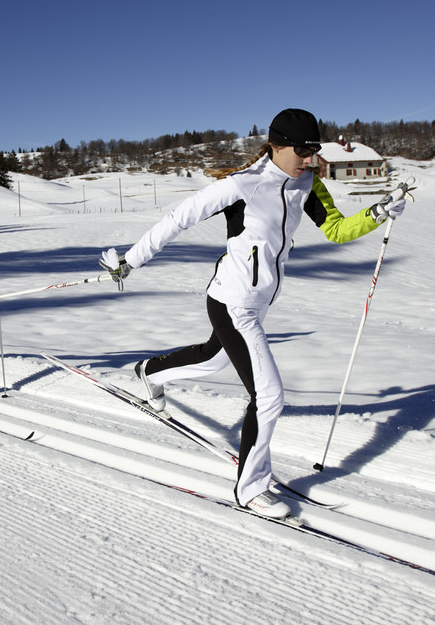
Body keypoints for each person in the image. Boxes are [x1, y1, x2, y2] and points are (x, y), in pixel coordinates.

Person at [98, 108, 406, 518]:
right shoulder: (243, 185)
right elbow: (177, 219)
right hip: (232, 300)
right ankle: (251, 487)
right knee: (268, 396)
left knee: (211, 360)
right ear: (277, 145)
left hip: (259, 301)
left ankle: (150, 372)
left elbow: (336, 231)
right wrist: (131, 261)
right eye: (301, 149)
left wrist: (376, 213)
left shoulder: (309, 184)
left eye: (314, 149)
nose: (309, 158)